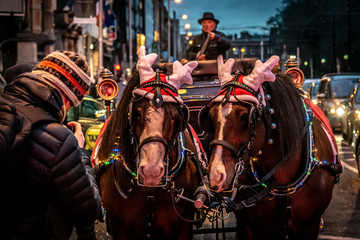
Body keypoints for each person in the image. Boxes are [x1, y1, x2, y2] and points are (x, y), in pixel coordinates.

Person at [1, 50, 101, 239]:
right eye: (72, 104)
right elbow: (88, 208)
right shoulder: (58, 138)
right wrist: (79, 150)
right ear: (65, 97)